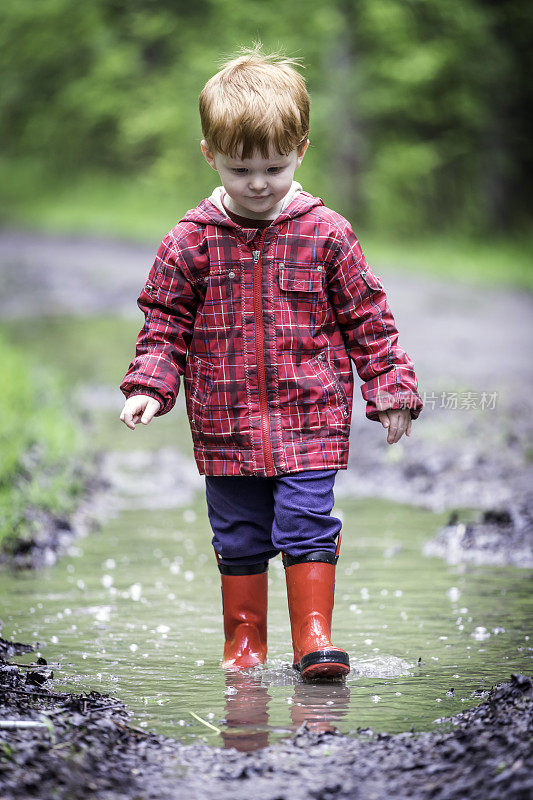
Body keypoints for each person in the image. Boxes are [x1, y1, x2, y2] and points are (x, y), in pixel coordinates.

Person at [119, 45, 423, 681]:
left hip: (310, 418)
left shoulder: (328, 234)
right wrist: (151, 383)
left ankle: (314, 638)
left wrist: (390, 386)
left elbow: (369, 318)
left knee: (308, 523)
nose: (258, 184)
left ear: (301, 151)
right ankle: (245, 648)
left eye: (274, 167)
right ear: (210, 156)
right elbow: (164, 322)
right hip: (225, 424)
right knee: (238, 535)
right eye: (240, 169)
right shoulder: (190, 241)